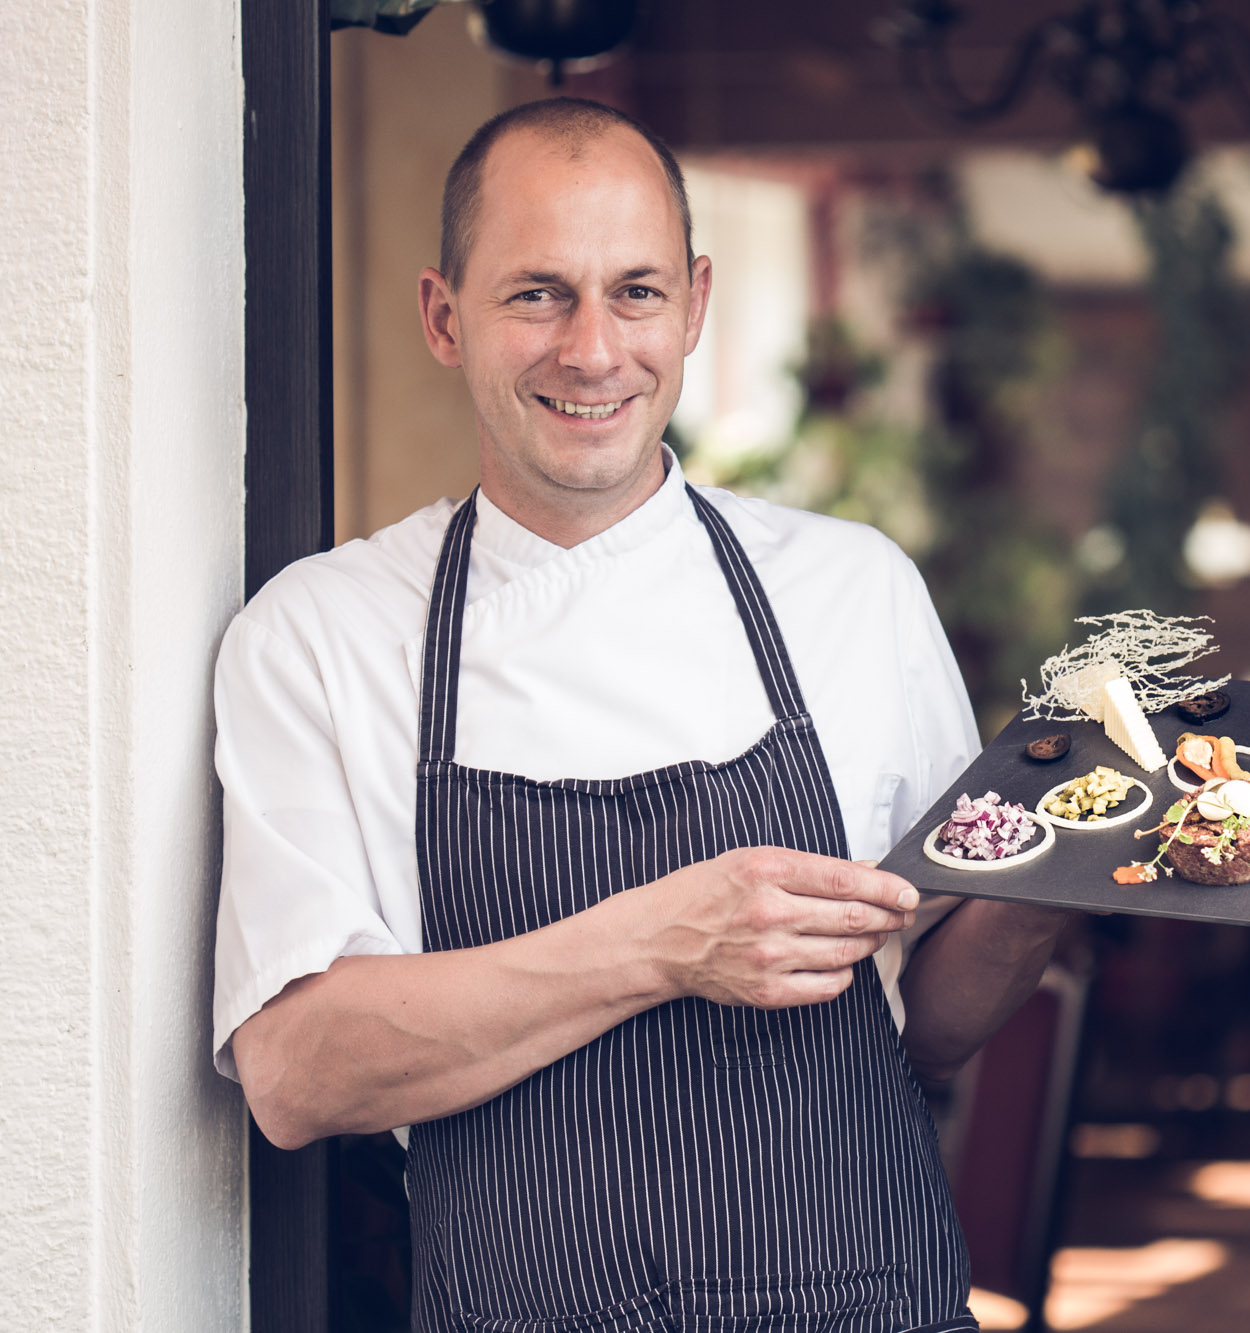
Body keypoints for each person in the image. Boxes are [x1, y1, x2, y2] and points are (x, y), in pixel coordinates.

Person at [212, 96, 1071, 1332]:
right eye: (536, 295)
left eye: (636, 292)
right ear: (443, 318)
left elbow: (928, 1028)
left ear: (697, 304)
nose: (593, 349)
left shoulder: (853, 588)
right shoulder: (322, 632)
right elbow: (298, 1072)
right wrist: (668, 939)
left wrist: (1059, 877)